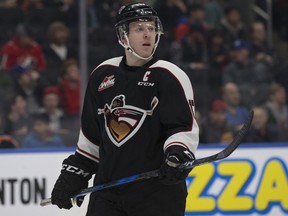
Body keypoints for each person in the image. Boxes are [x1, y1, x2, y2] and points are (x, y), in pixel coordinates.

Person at [50, 2, 199, 216]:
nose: (148, 34)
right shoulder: (102, 75)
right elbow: (92, 138)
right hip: (109, 191)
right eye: (139, 29)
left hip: (157, 193)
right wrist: (75, 173)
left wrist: (177, 155)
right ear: (123, 36)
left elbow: (183, 129)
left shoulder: (169, 75)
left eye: (151, 28)